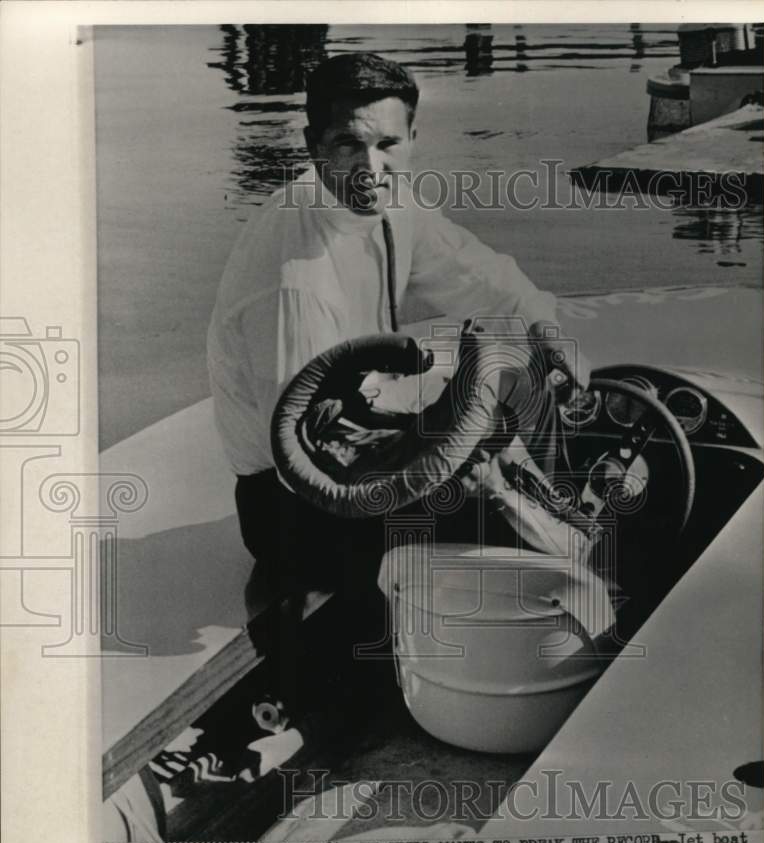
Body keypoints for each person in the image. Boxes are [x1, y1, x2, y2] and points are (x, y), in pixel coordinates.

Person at [207, 52, 589, 623]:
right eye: (347, 144)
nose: (370, 167)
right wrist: (455, 471)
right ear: (314, 146)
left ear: (412, 138)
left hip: (352, 423)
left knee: (529, 383)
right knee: (488, 508)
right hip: (293, 508)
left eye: (388, 144)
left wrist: (548, 336)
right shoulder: (292, 286)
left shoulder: (391, 202)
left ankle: (567, 525)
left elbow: (479, 276)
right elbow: (311, 465)